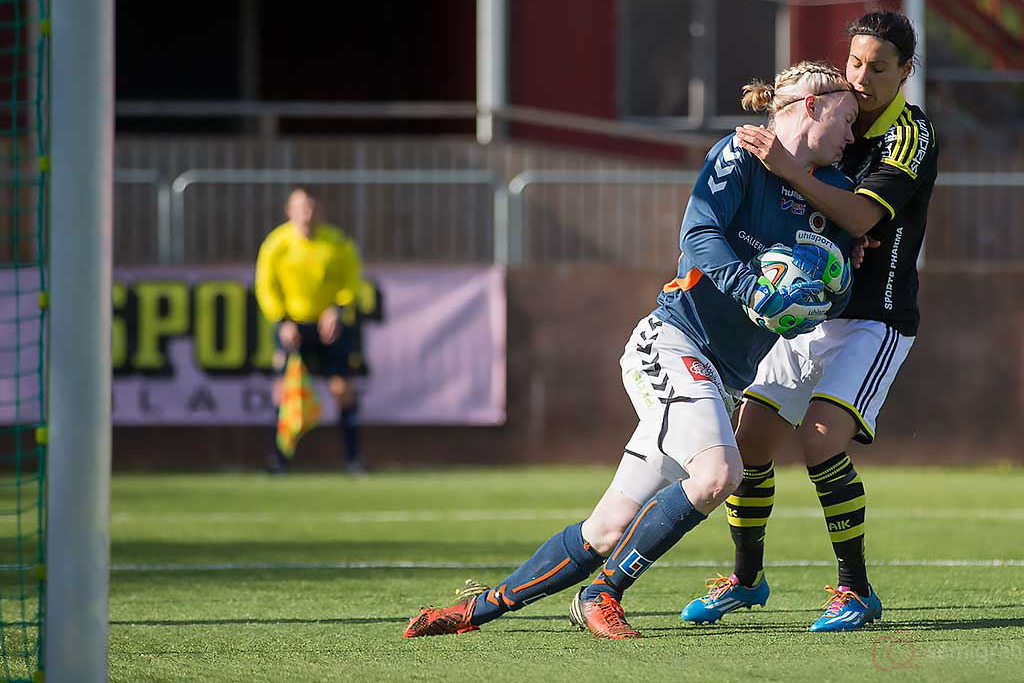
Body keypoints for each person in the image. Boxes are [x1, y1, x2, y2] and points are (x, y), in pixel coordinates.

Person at [403, 61, 860, 640]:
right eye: (846, 119)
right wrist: (753, 287)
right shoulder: (739, 153)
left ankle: (480, 608)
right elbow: (698, 236)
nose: (852, 136)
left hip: (718, 377)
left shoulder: (837, 192)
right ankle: (603, 593)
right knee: (722, 472)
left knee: (608, 528)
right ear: (811, 107)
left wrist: (824, 295)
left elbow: (824, 297)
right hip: (671, 342)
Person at [679, 10, 939, 632]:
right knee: (751, 439)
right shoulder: (830, 120)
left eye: (879, 67)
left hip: (874, 320)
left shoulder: (910, 134)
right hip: (806, 314)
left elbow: (859, 217)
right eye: (855, 62)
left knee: (821, 438)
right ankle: (746, 581)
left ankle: (856, 591)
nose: (863, 77)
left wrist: (790, 171)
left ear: (906, 71)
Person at [254, 188, 375, 474]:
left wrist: (337, 308)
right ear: (289, 211)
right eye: (301, 208)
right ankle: (278, 460)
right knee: (283, 391)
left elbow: (352, 281)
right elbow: (266, 286)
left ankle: (353, 459)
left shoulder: (337, 244)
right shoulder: (276, 244)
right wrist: (281, 320)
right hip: (292, 326)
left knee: (343, 389)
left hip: (329, 327)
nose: (306, 215)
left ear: (320, 212)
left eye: (311, 209)